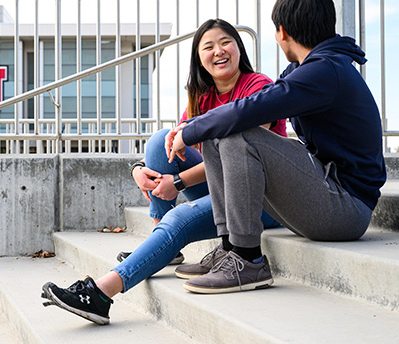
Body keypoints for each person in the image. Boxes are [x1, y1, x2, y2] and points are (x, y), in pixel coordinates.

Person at [41, 18, 286, 325]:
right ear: (199, 58)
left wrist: (179, 182)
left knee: (180, 217)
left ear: (239, 48)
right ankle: (164, 244)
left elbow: (242, 158)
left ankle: (102, 294)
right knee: (161, 138)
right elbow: (176, 148)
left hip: (260, 200)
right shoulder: (202, 97)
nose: (218, 51)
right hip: (224, 191)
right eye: (208, 46)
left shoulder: (259, 87)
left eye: (225, 42)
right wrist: (138, 170)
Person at [166, 0, 386, 295]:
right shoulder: (309, 68)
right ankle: (230, 247)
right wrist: (194, 126)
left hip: (346, 210)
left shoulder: (324, 72)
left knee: (239, 131)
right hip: (326, 193)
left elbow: (251, 109)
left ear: (281, 32)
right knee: (222, 133)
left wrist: (188, 131)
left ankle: (247, 259)